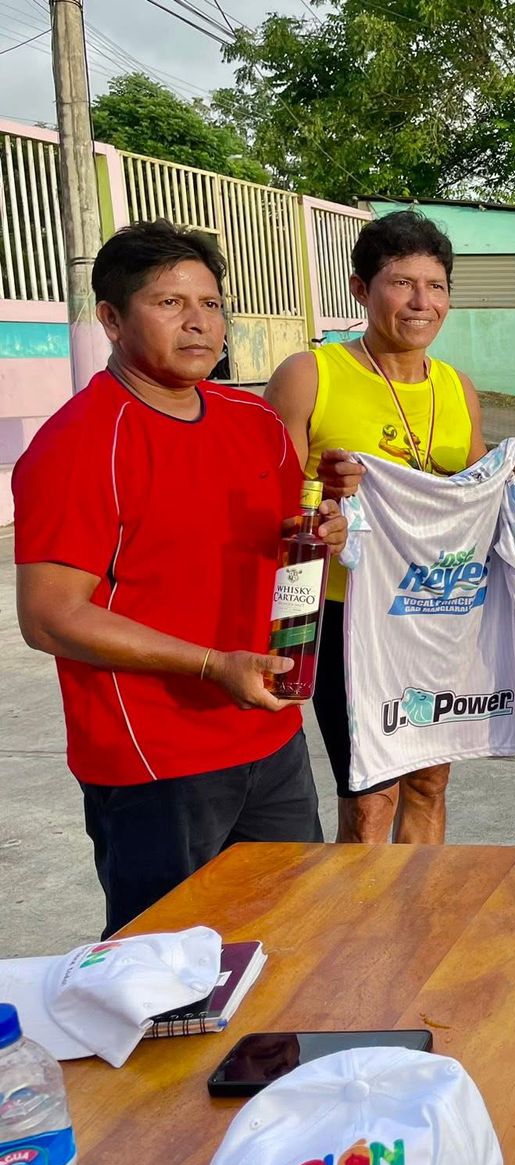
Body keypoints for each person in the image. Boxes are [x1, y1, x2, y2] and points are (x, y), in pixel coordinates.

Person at [12, 221, 347, 938]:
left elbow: (287, 539)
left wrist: (325, 529)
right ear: (111, 319)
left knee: (294, 941)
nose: (199, 322)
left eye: (211, 303)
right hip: (157, 760)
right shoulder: (81, 442)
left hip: (269, 733)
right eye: (169, 303)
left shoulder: (253, 420)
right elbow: (49, 616)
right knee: (169, 969)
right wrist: (210, 664)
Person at [266, 211, 515, 849]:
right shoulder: (311, 375)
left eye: (436, 286)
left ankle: (422, 905)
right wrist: (324, 502)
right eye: (401, 283)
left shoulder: (456, 387)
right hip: (350, 616)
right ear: (361, 290)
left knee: (429, 783)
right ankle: (365, 913)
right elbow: (264, 504)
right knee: (371, 795)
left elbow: (474, 496)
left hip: (440, 610)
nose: (422, 302)